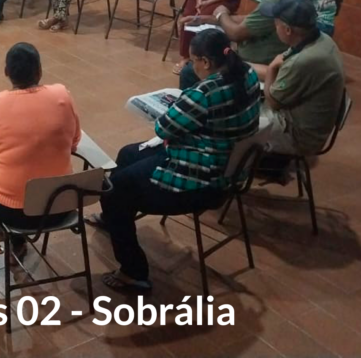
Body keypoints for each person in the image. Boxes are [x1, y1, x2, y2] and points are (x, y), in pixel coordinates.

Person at [98, 29, 260, 291]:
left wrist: (180, 105)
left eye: (193, 60)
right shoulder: (246, 73)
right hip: (226, 161)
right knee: (128, 153)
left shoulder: (205, 92)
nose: (190, 66)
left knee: (113, 192)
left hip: (199, 178)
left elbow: (163, 128)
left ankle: (133, 272)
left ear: (205, 61)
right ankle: (114, 219)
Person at [0, 42, 82, 259]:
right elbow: (75, 141)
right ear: (39, 71)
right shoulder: (62, 96)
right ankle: (13, 241)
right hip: (61, 207)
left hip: (10, 214)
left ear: (6, 72)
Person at [178, 0, 304, 89]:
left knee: (191, 70)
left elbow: (235, 34)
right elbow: (251, 19)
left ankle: (194, 102)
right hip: (268, 59)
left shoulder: (276, 0)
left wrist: (221, 13)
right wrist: (205, 19)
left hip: (258, 63)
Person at [261, 0, 345, 156]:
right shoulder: (322, 39)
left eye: (276, 23)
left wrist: (271, 69)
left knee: (239, 121)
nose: (274, 27)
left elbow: (273, 102)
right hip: (310, 125)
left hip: (299, 137)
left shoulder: (303, 60)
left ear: (287, 30)